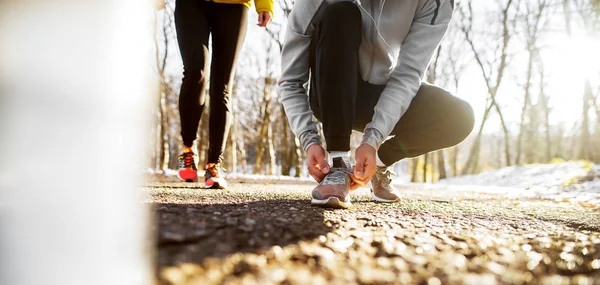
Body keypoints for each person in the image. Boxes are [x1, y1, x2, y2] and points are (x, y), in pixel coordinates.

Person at [279, 0, 475, 208]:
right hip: (331, 94)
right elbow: (291, 81)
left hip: (384, 94)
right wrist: (309, 140)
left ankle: (378, 164)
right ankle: (338, 163)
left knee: (459, 117)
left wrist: (372, 142)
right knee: (341, 11)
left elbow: (408, 75)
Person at [169, 0, 273, 187]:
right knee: (195, 71)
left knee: (222, 84)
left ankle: (213, 164)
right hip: (190, 5)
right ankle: (188, 150)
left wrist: (265, 4)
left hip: (234, 5)